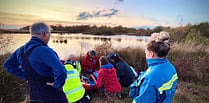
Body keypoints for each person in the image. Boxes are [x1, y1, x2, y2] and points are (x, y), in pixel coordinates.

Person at [3, 22, 68, 103]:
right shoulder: (45, 50)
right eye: (49, 34)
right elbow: (61, 71)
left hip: (33, 95)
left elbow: (8, 65)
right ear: (45, 33)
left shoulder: (21, 50)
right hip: (51, 95)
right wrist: (57, 84)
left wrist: (26, 76)